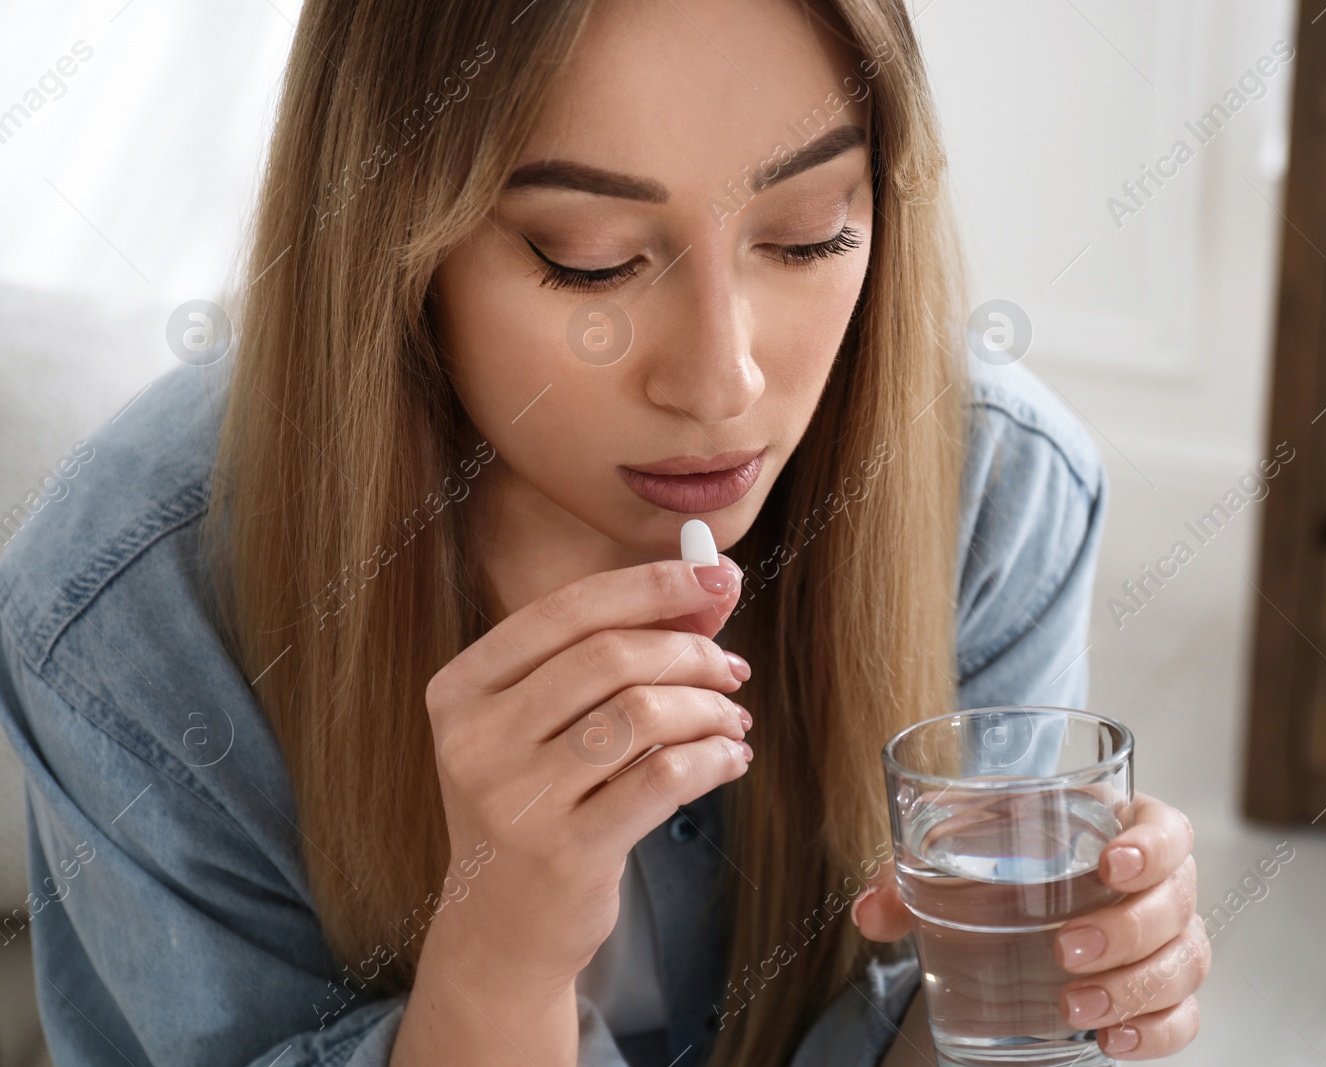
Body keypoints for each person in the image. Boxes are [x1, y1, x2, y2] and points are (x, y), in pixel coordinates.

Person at [0, 1, 1208, 1064]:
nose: (723, 382)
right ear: (390, 238)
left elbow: (986, 1021)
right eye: (594, 262)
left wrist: (1033, 996)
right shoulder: (124, 608)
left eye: (810, 231)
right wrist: (499, 964)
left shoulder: (997, 489)